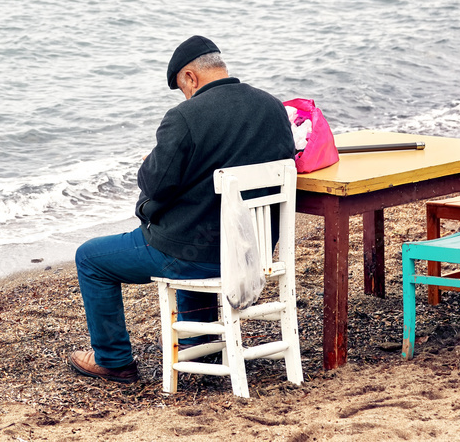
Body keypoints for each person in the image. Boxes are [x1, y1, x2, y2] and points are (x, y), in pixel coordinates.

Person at [68, 35, 296, 384]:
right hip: (255, 250)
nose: (185, 95)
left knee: (90, 257)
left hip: (196, 253)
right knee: (196, 228)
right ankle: (202, 342)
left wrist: (147, 163)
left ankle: (114, 360)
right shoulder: (272, 107)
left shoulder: (185, 117)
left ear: (190, 77)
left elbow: (155, 184)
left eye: (182, 87)